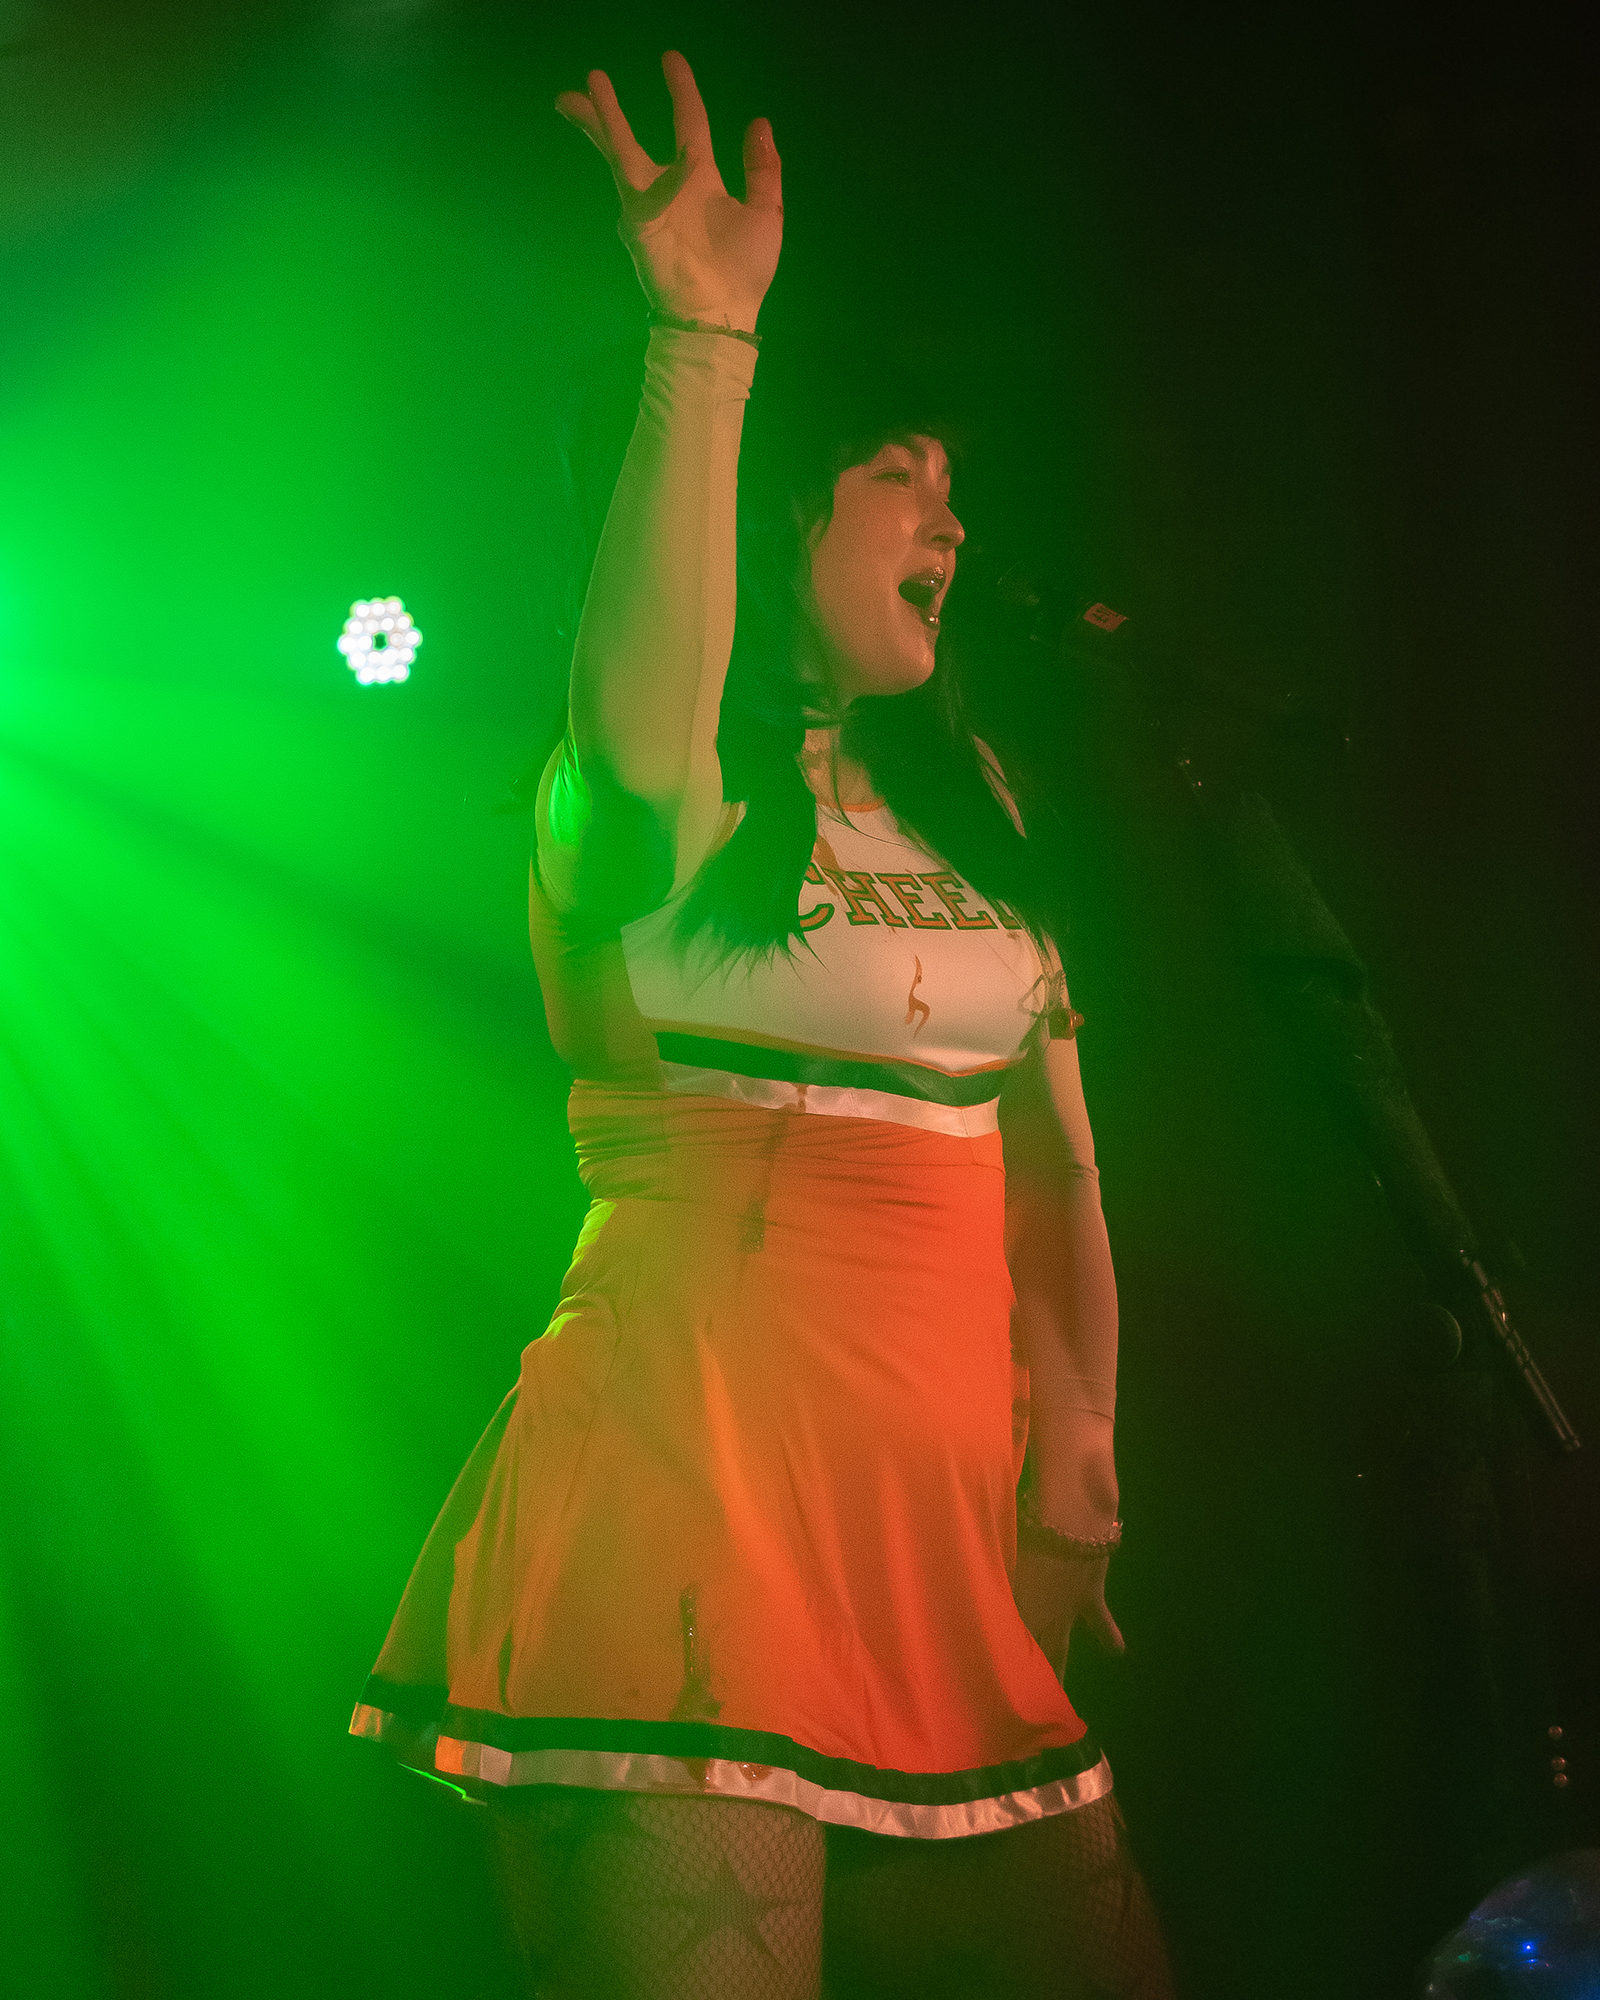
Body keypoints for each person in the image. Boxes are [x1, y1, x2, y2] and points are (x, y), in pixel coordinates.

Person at [350, 49, 1174, 2000]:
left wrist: (1076, 1465)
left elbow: (1056, 1168)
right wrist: (702, 343)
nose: (949, 522)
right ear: (774, 505)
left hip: (936, 1561)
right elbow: (646, 720)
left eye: (953, 486)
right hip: (682, 1532)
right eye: (899, 477)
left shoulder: (974, 807)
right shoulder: (650, 808)